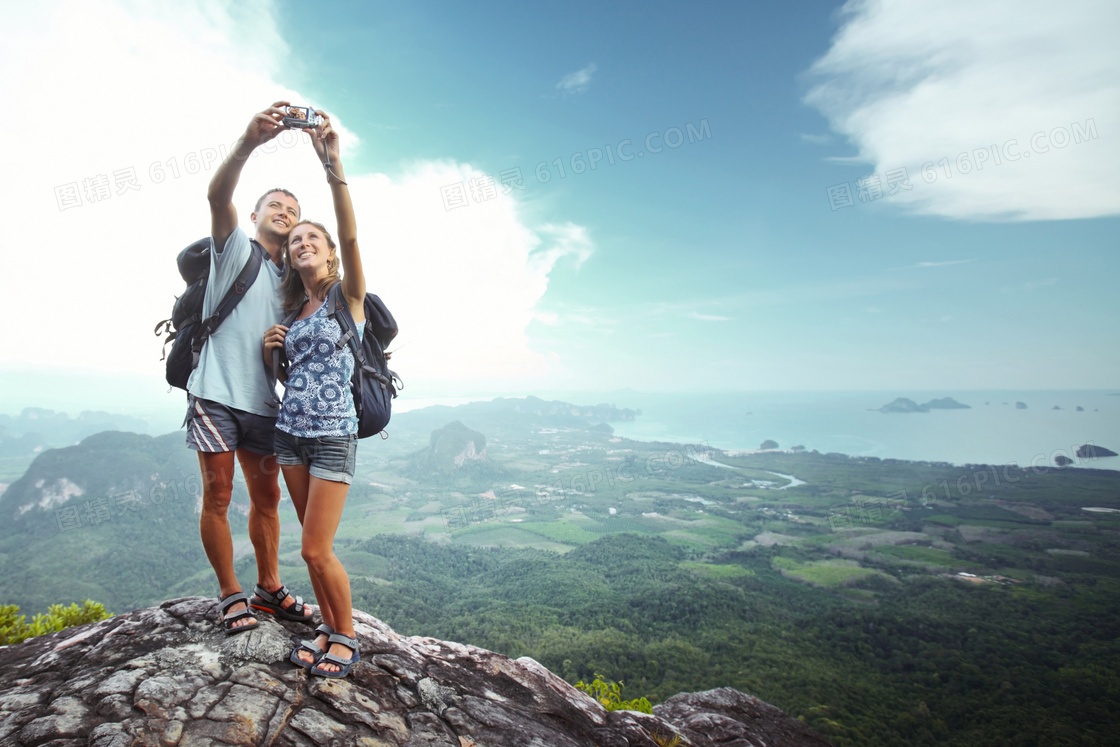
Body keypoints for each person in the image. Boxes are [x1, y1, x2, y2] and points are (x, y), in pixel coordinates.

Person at [188, 102, 315, 634]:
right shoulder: (233, 249)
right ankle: (229, 593)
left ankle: (268, 586)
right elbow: (218, 195)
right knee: (218, 494)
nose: (284, 211)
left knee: (268, 500)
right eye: (275, 205)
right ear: (257, 215)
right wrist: (248, 141)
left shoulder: (294, 282)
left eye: (292, 208)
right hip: (216, 392)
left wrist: (278, 346)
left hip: (264, 404)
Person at [263, 110, 365, 677]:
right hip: (289, 437)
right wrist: (268, 350)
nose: (302, 242)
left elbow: (351, 235)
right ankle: (328, 628)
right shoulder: (294, 311)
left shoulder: (345, 298)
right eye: (295, 238)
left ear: (327, 253)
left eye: (312, 238)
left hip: (331, 437)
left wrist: (333, 168)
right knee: (311, 546)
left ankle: (346, 635)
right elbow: (290, 377)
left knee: (313, 549)